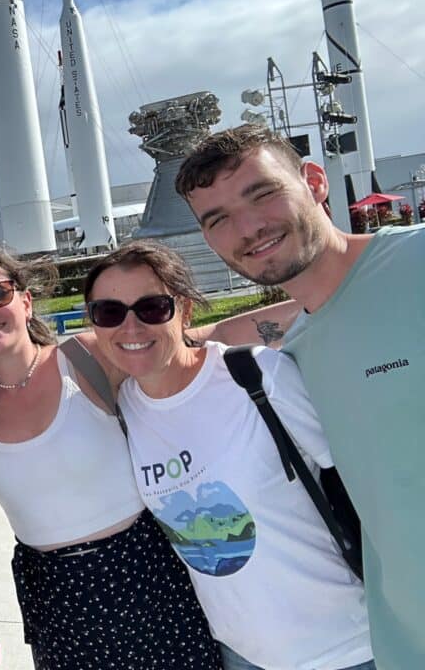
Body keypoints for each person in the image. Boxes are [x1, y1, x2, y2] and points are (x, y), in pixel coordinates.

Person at [177, 125, 425, 669]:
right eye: (216, 219)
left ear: (314, 182)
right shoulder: (295, 354)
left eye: (262, 193)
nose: (247, 227)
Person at [83, 240, 373, 670]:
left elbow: (364, 480)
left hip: (348, 643)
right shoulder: (124, 410)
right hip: (241, 654)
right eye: (109, 312)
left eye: (152, 308)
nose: (130, 327)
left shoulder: (255, 376)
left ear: (184, 310)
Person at [0, 247, 222, 670]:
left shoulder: (84, 358)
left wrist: (313, 308)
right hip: (56, 600)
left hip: (145, 578)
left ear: (25, 300)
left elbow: (191, 349)